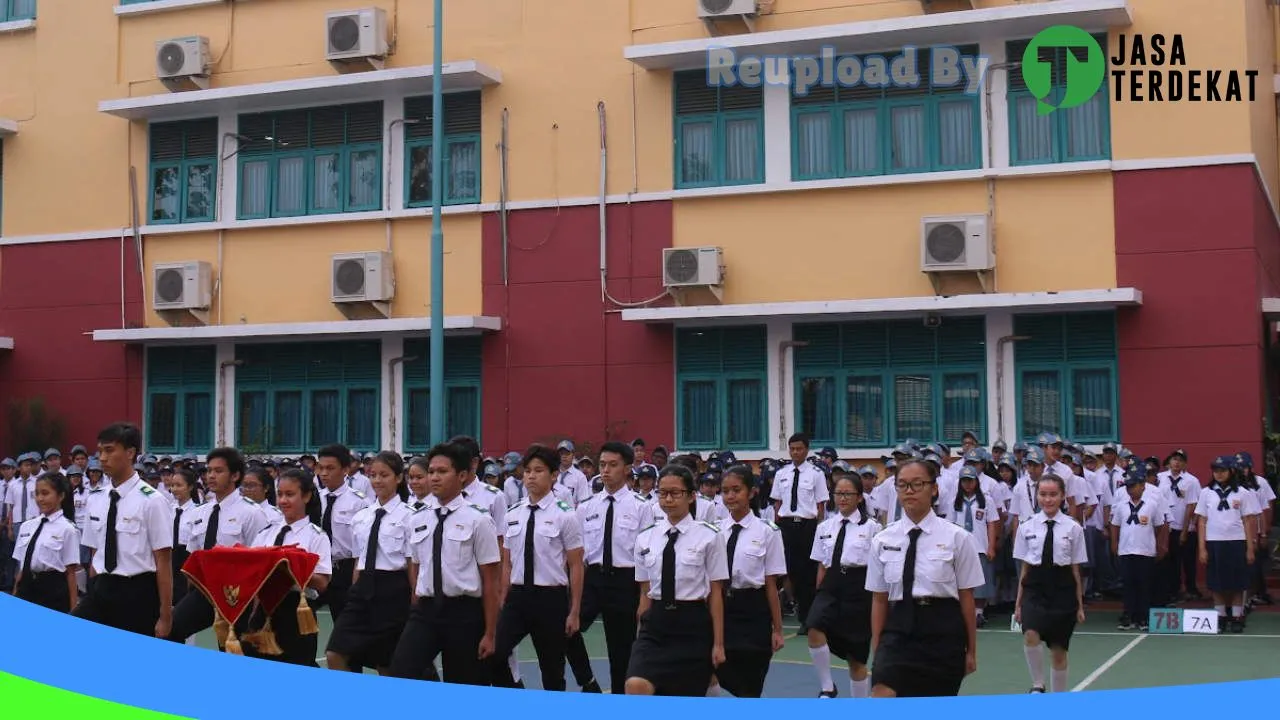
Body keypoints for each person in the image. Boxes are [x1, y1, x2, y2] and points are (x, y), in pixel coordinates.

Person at [866, 459, 983, 698]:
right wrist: (878, 648)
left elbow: (966, 597)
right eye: (902, 485)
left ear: (934, 488)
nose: (909, 491)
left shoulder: (957, 538)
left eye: (917, 484)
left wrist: (971, 651)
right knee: (881, 692)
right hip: (898, 627)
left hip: (942, 630)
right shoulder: (882, 539)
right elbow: (879, 599)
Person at [388, 442, 500, 685]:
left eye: (442, 471)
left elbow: (491, 580)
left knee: (462, 683)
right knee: (401, 671)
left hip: (463, 613)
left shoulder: (478, 520)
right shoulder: (417, 517)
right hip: (426, 611)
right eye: (431, 471)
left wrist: (490, 633)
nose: (434, 477)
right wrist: (416, 603)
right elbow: (416, 565)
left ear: (461, 476)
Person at [625, 464, 727, 697]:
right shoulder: (645, 537)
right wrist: (640, 634)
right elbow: (645, 592)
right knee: (635, 685)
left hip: (692, 624)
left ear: (691, 496)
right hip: (656, 625)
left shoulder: (710, 536)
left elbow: (716, 593)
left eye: (675, 493)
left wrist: (718, 643)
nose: (668, 499)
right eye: (662, 493)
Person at [491, 444, 584, 690]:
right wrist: (503, 596)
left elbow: (575, 565)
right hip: (518, 598)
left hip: (550, 598)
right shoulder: (513, 514)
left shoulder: (566, 515)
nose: (531, 476)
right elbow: (507, 561)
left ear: (554, 475)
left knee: (552, 671)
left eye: (539, 470)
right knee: (494, 654)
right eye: (528, 470)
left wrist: (574, 611)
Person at [74, 423, 175, 638]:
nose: (102, 458)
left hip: (137, 592)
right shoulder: (97, 498)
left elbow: (163, 561)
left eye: (109, 450)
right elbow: (95, 552)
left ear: (130, 453)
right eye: (100, 451)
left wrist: (165, 615)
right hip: (101, 588)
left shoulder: (152, 501)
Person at [566, 441, 647, 694]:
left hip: (625, 582)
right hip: (593, 579)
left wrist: (645, 595)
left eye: (613, 465)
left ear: (627, 468)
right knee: (566, 629)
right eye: (602, 464)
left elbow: (646, 555)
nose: (606, 470)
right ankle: (588, 683)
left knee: (620, 653)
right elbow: (578, 554)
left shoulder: (640, 507)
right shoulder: (587, 507)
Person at [167, 448, 270, 645]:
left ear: (235, 475)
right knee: (170, 628)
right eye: (209, 470)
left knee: (232, 648)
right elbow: (193, 556)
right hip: (204, 591)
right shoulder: (201, 512)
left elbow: (260, 561)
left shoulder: (251, 513)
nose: (211, 476)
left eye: (218, 471)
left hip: (236, 595)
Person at [327, 451, 415, 675]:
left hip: (394, 589)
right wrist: (355, 589)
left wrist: (415, 599)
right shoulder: (362, 517)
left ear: (398, 478)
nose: (377, 480)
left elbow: (412, 562)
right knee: (335, 653)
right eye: (373, 475)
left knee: (385, 662)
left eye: (384, 475)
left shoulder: (410, 516)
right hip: (362, 589)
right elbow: (360, 558)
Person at [244, 469, 333, 666]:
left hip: (297, 611)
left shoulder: (316, 536)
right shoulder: (266, 533)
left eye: (290, 494)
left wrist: (290, 568)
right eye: (280, 494)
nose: (283, 500)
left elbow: (322, 582)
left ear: (307, 496)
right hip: (263, 610)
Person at [712, 465, 785, 698]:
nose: (730, 496)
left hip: (754, 610)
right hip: (723, 606)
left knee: (752, 682)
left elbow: (771, 584)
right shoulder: (715, 531)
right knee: (716, 668)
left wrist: (778, 629)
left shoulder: (768, 532)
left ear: (751, 492)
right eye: (725, 491)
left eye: (736, 490)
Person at [807, 474, 880, 699]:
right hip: (831, 583)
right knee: (814, 626)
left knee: (856, 656)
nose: (843, 498)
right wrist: (819, 590)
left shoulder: (873, 528)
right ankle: (827, 687)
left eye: (848, 494)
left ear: (859, 497)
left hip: (860, 587)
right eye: (839, 493)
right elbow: (821, 563)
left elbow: (879, 567)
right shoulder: (825, 527)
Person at [1013, 474, 1088, 693]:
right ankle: (1038, 684)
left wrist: (1080, 605)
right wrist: (1018, 604)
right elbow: (1025, 569)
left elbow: (1076, 569)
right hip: (1035, 586)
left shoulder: (1073, 528)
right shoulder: (1027, 527)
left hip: (1062, 588)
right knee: (1030, 633)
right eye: (1043, 494)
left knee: (1058, 650)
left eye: (1053, 494)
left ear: (1063, 496)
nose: (1048, 500)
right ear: (1037, 496)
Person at [770, 433, 828, 633]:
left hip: (807, 525)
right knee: (786, 570)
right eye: (792, 448)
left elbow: (820, 504)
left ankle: (807, 618)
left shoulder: (816, 474)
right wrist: (777, 525)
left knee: (807, 573)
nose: (795, 452)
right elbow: (777, 502)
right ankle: (782, 609)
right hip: (786, 525)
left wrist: (819, 528)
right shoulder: (781, 474)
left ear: (806, 449)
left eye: (799, 448)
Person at [1196, 456, 1259, 634]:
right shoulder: (1206, 492)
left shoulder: (1242, 492)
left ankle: (1237, 616)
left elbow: (1248, 521)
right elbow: (1202, 521)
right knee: (1217, 582)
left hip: (1236, 542)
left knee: (1237, 582)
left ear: (1231, 471)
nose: (1219, 474)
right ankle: (1221, 616)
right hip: (1214, 542)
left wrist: (1250, 547)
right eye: (1216, 471)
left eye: (1222, 470)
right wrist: (1202, 547)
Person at [314, 444, 371, 623]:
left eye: (330, 468)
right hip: (318, 568)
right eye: (320, 468)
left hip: (345, 569)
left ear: (345, 469)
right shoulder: (315, 499)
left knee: (345, 623)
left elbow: (364, 545)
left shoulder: (359, 502)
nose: (324, 473)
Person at [12, 472, 80, 613]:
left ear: (60, 496)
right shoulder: (27, 526)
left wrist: (74, 608)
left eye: (45, 493)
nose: (40, 499)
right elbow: (21, 569)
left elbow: (71, 573)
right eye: (37, 494)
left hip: (52, 591)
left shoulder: (68, 529)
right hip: (27, 588)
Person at [1111, 468, 1166, 632]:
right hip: (1126, 550)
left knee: (1144, 584)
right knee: (1128, 584)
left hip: (1145, 550)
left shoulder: (1152, 505)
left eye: (1133, 486)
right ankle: (1129, 615)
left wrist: (1156, 543)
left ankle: (1143, 616)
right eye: (1127, 486)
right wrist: (1114, 543)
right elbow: (1115, 525)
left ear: (1143, 486)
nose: (1130, 489)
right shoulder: (1121, 506)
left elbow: (1159, 526)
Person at [165, 468, 199, 606]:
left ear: (190, 487)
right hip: (168, 557)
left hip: (186, 558)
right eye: (172, 485)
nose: (174, 489)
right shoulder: (168, 509)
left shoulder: (198, 511)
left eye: (179, 485)